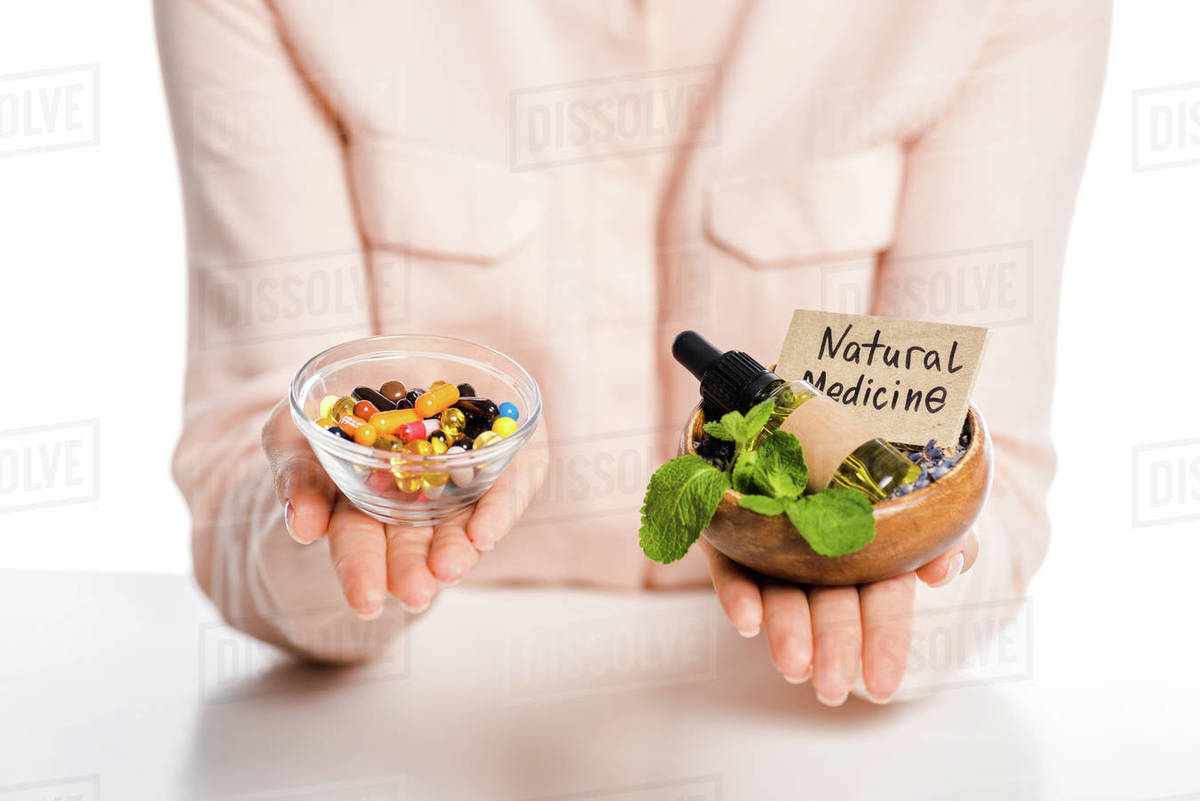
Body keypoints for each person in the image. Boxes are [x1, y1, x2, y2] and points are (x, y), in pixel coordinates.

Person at [157, 0, 1110, 705]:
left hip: (775, 737)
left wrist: (900, 574)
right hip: (436, 714)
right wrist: (341, 517)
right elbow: (243, 490)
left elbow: (996, 484)